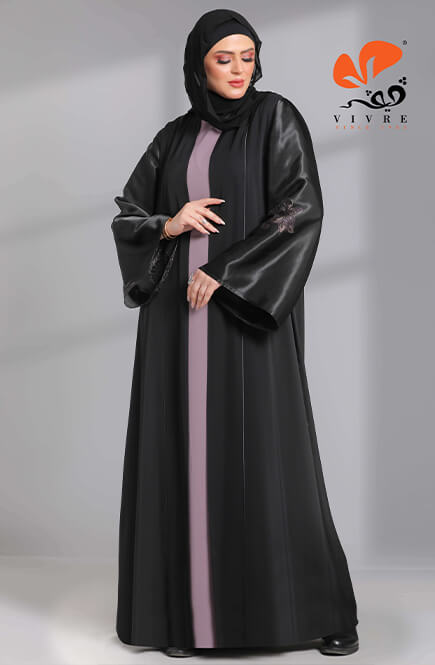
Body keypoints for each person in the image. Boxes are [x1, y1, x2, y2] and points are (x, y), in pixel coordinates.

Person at [111, 8, 359, 659]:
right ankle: (184, 620)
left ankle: (322, 612)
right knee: (183, 460)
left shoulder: (276, 119)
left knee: (271, 462)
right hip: (176, 323)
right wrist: (169, 223)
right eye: (224, 58)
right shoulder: (173, 138)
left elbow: (299, 209)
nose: (238, 69)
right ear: (198, 66)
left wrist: (224, 272)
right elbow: (130, 213)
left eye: (247, 57)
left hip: (244, 315)